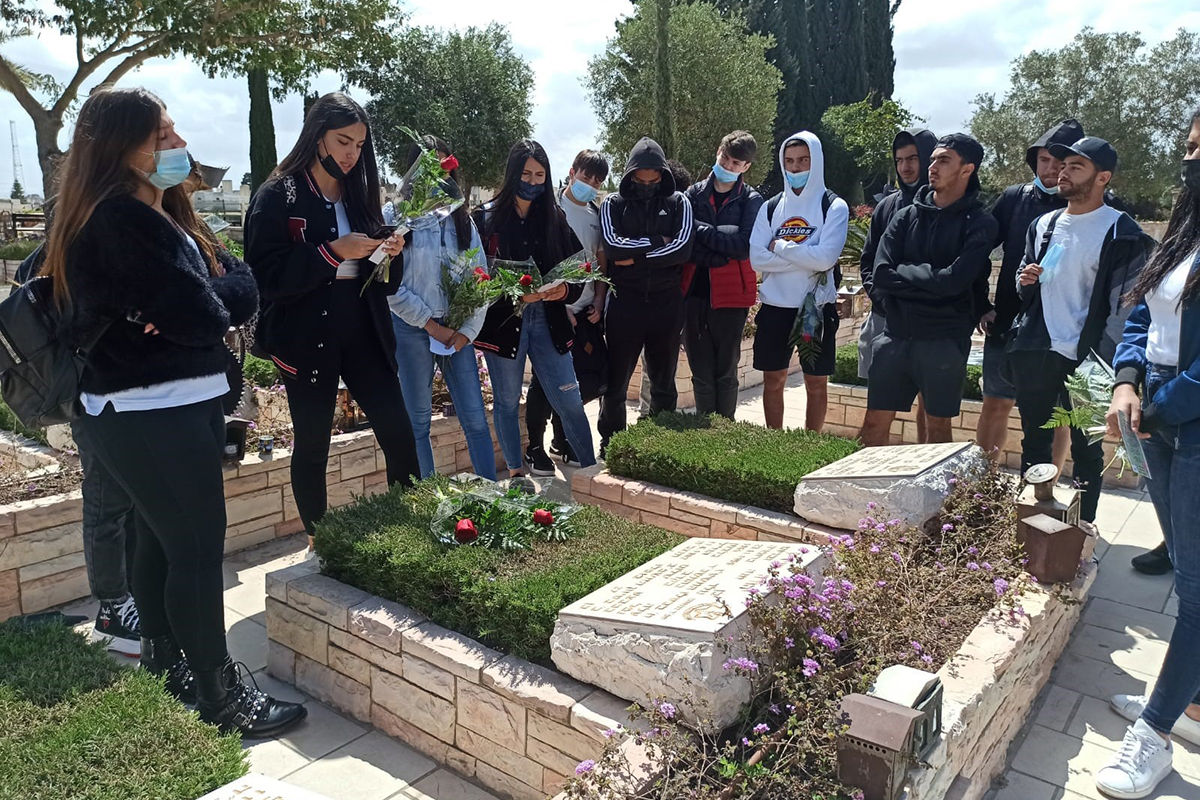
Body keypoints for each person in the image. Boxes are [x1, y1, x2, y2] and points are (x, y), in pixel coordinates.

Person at [46, 87, 304, 736]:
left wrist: (204, 300)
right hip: (147, 409)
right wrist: (202, 304)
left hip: (175, 403)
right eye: (161, 136)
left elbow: (240, 285)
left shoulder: (167, 214)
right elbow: (203, 316)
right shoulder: (115, 220)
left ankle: (168, 664)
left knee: (161, 541)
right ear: (120, 148)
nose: (179, 144)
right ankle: (222, 695)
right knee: (195, 548)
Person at [244, 93, 418, 551]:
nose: (351, 154)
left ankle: (411, 528)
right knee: (313, 442)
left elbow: (384, 283)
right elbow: (264, 276)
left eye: (359, 145)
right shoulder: (277, 195)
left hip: (364, 327)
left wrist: (389, 253)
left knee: (398, 431)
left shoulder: (360, 195)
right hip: (305, 334)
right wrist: (333, 252)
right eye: (343, 141)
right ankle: (319, 541)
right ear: (317, 135)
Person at [1098, 108, 1200, 800]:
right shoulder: (1185, 232)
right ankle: (1187, 700)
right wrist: (1128, 381)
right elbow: (1142, 314)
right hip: (1160, 413)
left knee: (1197, 589)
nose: (1191, 159)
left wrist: (1160, 405)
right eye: (1190, 145)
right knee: (1189, 572)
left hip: (1188, 419)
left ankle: (1155, 732)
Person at [1007, 137, 1153, 529]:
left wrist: (1105, 362)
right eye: (1063, 164)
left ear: (1102, 177)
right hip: (1038, 350)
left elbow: (1127, 306)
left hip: (1092, 360)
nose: (1062, 172)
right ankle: (1032, 530)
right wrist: (1026, 281)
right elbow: (1025, 283)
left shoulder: (1122, 231)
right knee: (1034, 444)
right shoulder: (1044, 225)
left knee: (1087, 451)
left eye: (1076, 166)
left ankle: (1082, 534)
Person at [860, 134, 998, 446]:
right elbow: (881, 273)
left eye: (943, 160)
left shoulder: (980, 223)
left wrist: (906, 273)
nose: (932, 167)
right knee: (873, 425)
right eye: (932, 159)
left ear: (967, 169)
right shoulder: (905, 216)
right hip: (894, 335)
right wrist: (934, 282)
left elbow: (956, 282)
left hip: (943, 341)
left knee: (937, 430)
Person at [472, 140, 597, 476]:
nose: (532, 181)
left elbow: (579, 269)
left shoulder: (554, 217)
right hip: (503, 325)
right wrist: (510, 294)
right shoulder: (485, 218)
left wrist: (564, 291)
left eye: (539, 175)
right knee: (507, 401)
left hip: (549, 319)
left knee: (569, 397)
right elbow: (474, 279)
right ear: (513, 173)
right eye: (525, 174)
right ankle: (516, 471)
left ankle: (589, 470)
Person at [388, 135, 496, 481]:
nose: (437, 175)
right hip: (412, 329)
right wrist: (430, 325)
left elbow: (480, 277)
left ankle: (490, 491)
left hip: (456, 332)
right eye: (428, 166)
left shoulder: (461, 219)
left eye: (443, 166)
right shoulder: (395, 215)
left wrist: (466, 331)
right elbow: (387, 284)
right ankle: (427, 497)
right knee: (417, 421)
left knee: (475, 418)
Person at [979, 120, 1084, 463]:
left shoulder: (1093, 206)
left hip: (1063, 331)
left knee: (1057, 415)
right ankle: (982, 485)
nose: (1051, 169)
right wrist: (981, 304)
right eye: (1043, 160)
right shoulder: (1014, 199)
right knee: (996, 403)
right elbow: (977, 250)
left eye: (1060, 162)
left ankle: (1046, 489)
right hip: (1008, 323)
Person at [597, 138, 695, 454]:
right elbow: (613, 248)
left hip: (667, 304)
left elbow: (682, 249)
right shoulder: (613, 204)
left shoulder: (679, 203)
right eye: (640, 181)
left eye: (653, 181)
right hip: (625, 303)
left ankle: (658, 443)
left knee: (664, 383)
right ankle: (611, 442)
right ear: (630, 175)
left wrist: (636, 256)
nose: (647, 187)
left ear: (662, 176)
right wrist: (657, 242)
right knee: (616, 382)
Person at [749, 131, 849, 430]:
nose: (795, 168)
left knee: (815, 383)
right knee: (773, 379)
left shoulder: (834, 206)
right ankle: (775, 442)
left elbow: (825, 259)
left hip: (814, 311)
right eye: (789, 161)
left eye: (803, 160)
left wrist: (779, 246)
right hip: (775, 308)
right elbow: (756, 259)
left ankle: (810, 444)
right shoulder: (770, 207)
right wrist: (807, 255)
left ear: (816, 161)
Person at [524, 149, 610, 474]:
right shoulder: (550, 208)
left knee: (575, 383)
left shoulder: (594, 214)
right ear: (572, 172)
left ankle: (563, 441)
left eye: (597, 182)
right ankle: (535, 446)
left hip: (584, 311)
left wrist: (598, 301)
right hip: (553, 310)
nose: (590, 185)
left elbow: (599, 260)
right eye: (586, 177)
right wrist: (561, 308)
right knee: (543, 383)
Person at [857, 128, 937, 441]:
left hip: (930, 325)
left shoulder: (945, 206)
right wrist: (884, 301)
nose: (905, 166)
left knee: (932, 414)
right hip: (885, 321)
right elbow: (868, 262)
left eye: (913, 158)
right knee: (877, 414)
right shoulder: (887, 206)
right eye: (900, 160)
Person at [682, 131, 764, 419]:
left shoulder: (751, 199)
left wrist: (703, 230)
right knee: (700, 371)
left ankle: (724, 429)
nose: (728, 166)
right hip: (694, 294)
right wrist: (717, 254)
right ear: (718, 152)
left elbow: (743, 247)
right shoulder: (693, 194)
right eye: (725, 158)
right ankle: (705, 432)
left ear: (746, 167)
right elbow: (685, 244)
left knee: (726, 372)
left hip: (732, 297)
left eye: (736, 163)